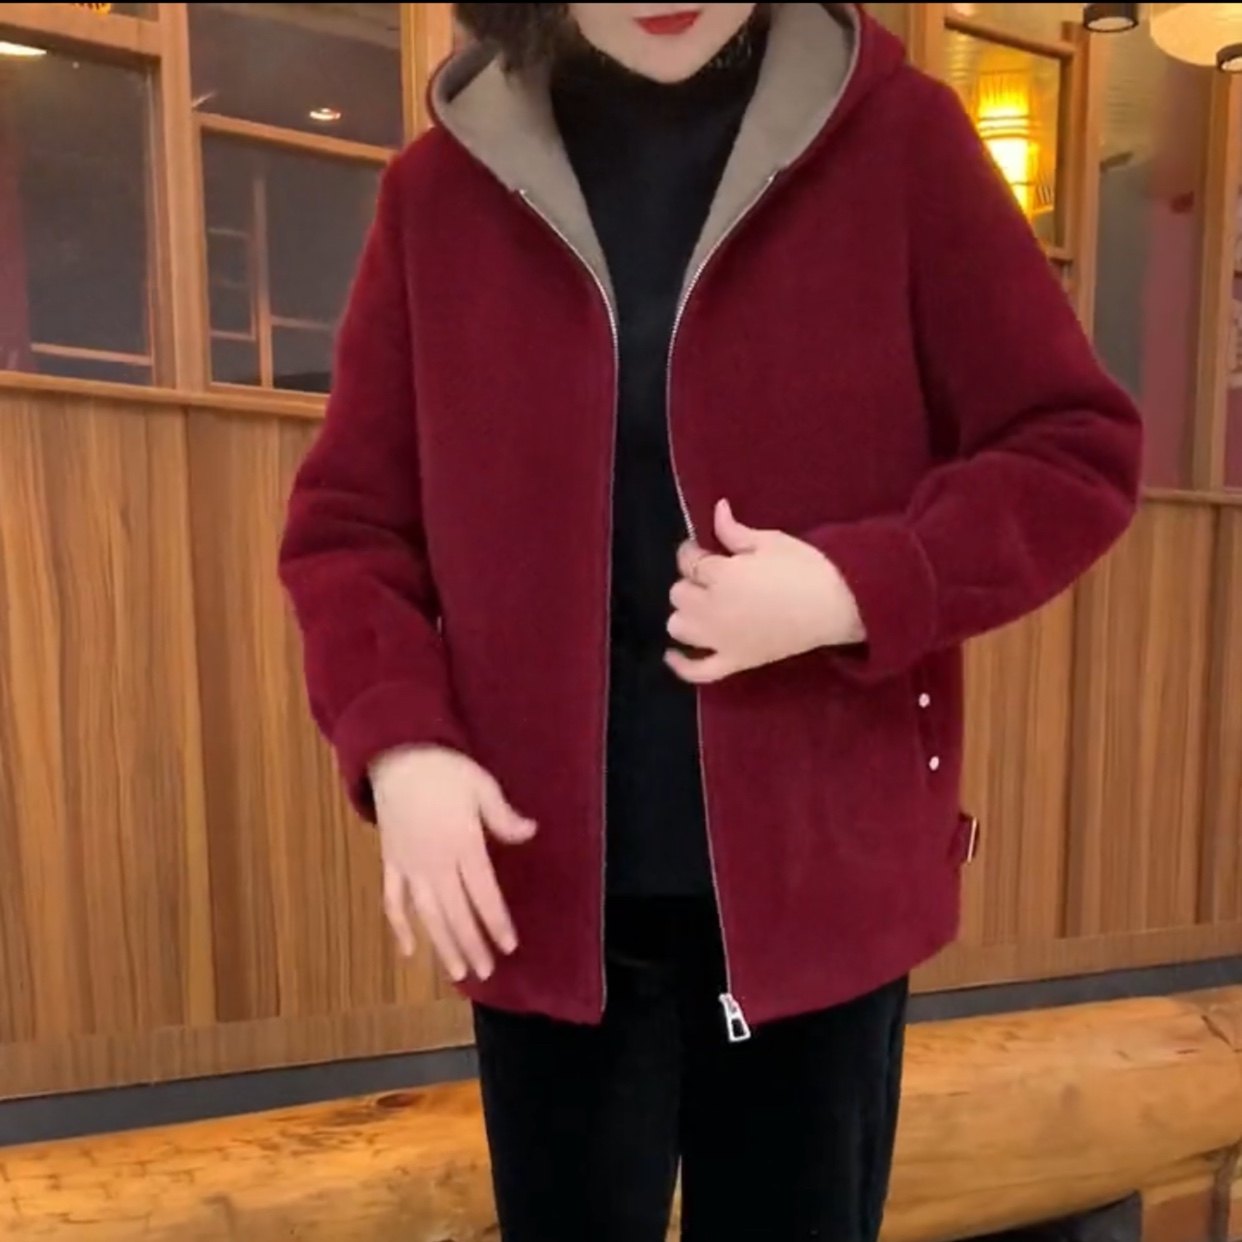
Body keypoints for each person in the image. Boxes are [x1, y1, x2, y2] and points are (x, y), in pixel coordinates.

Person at [278, 3, 1142, 1238]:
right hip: (543, 893)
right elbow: (350, 527)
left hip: (820, 890)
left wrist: (855, 586)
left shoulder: (901, 142)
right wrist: (402, 741)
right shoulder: (439, 194)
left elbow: (1073, 450)